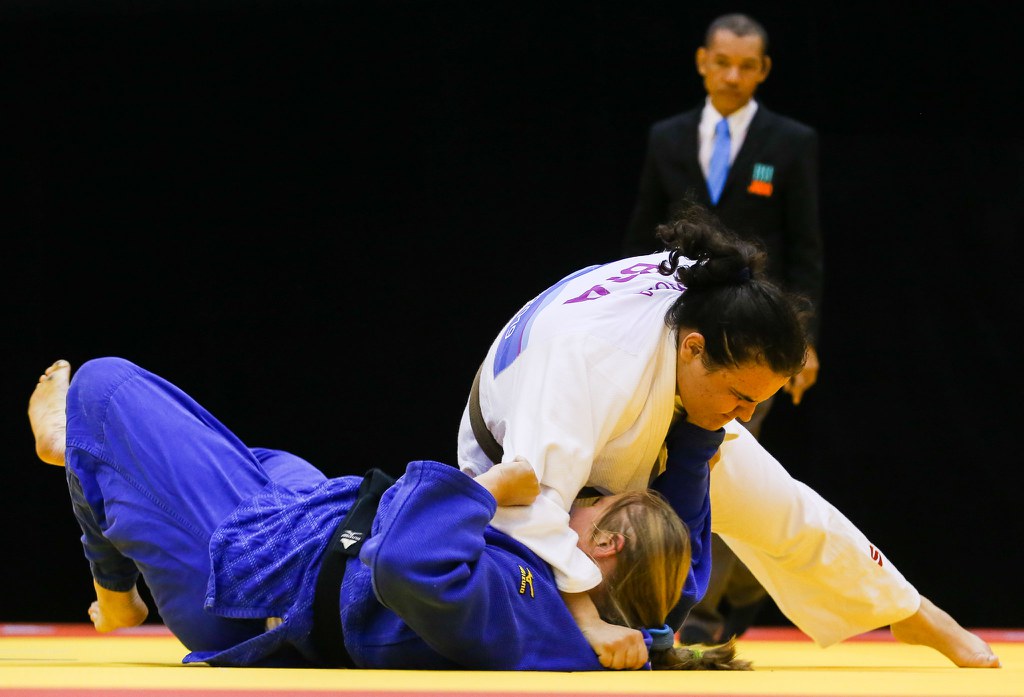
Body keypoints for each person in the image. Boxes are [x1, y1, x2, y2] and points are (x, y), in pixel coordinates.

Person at [457, 204, 999, 669]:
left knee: (782, 504)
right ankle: (590, 615)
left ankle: (915, 613)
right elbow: (534, 504)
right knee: (588, 590)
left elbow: (727, 399)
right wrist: (590, 623)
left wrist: (710, 424)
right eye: (740, 396)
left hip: (646, 408)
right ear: (693, 349)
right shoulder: (591, 366)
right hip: (516, 458)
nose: (745, 412)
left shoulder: (709, 292)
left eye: (757, 401)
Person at [27, 356, 749, 671]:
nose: (580, 500)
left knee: (105, 389)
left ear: (611, 542)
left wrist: (491, 489)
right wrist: (702, 426)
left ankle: (105, 557)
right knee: (270, 462)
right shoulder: (638, 615)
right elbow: (680, 546)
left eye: (597, 503)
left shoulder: (532, 612)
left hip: (253, 587)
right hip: (315, 522)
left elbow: (408, 561)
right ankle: (99, 476)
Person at [620, 12, 823, 644]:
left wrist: (802, 342)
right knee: (670, 464)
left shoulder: (789, 142)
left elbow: (805, 249)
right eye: (722, 62)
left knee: (718, 463)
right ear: (703, 61)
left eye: (746, 65)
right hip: (678, 332)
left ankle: (701, 619)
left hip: (753, 336)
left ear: (762, 70)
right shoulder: (668, 137)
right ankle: (737, 584)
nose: (732, 75)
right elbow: (643, 233)